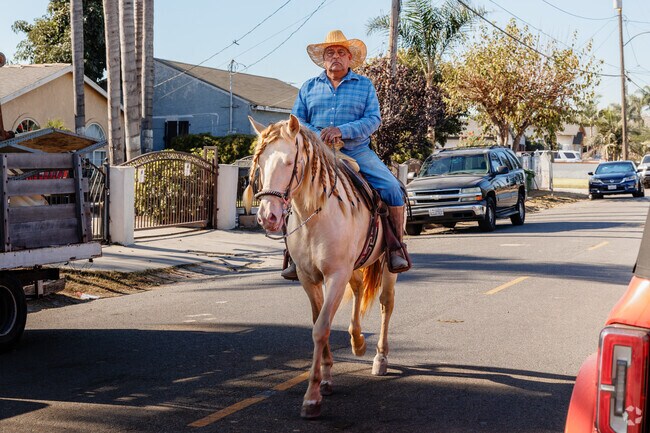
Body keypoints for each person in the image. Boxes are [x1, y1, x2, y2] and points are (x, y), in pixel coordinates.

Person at [282, 29, 410, 280]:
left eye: (341, 52)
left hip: (357, 151)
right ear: (323, 59)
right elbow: (297, 121)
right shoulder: (309, 87)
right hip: (317, 154)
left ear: (350, 59)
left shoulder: (364, 85)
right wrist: (320, 134)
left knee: (393, 188)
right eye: (330, 53)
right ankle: (291, 254)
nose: (336, 57)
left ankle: (396, 247)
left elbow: (373, 119)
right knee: (290, 188)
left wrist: (343, 130)